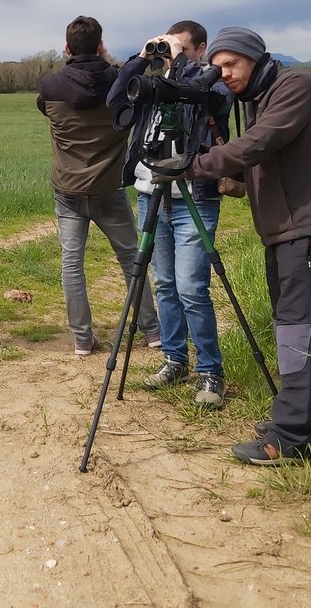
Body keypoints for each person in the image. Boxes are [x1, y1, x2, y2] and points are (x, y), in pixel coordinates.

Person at [188, 27, 311, 465]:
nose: (223, 75)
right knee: (297, 326)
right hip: (287, 229)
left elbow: (262, 142)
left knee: (297, 330)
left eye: (230, 64)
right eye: (217, 67)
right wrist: (234, 176)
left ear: (254, 58)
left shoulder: (295, 87)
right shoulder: (255, 97)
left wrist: (196, 164)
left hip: (310, 227)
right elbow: (264, 156)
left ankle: (290, 437)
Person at [113, 21, 233, 408]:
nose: (170, 55)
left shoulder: (212, 86)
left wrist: (180, 61)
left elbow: (206, 95)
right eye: (167, 48)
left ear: (200, 49)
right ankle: (174, 360)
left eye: (179, 48)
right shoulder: (157, 82)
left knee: (191, 288)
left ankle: (210, 372)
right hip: (151, 193)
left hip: (193, 196)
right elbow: (115, 98)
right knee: (164, 284)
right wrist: (142, 59)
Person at [36, 15, 160, 357]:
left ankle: (82, 339)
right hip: (109, 188)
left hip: (68, 189)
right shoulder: (121, 82)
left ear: (66, 47)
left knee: (71, 263)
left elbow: (46, 109)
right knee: (131, 259)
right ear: (101, 46)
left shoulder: (50, 86)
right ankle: (151, 331)